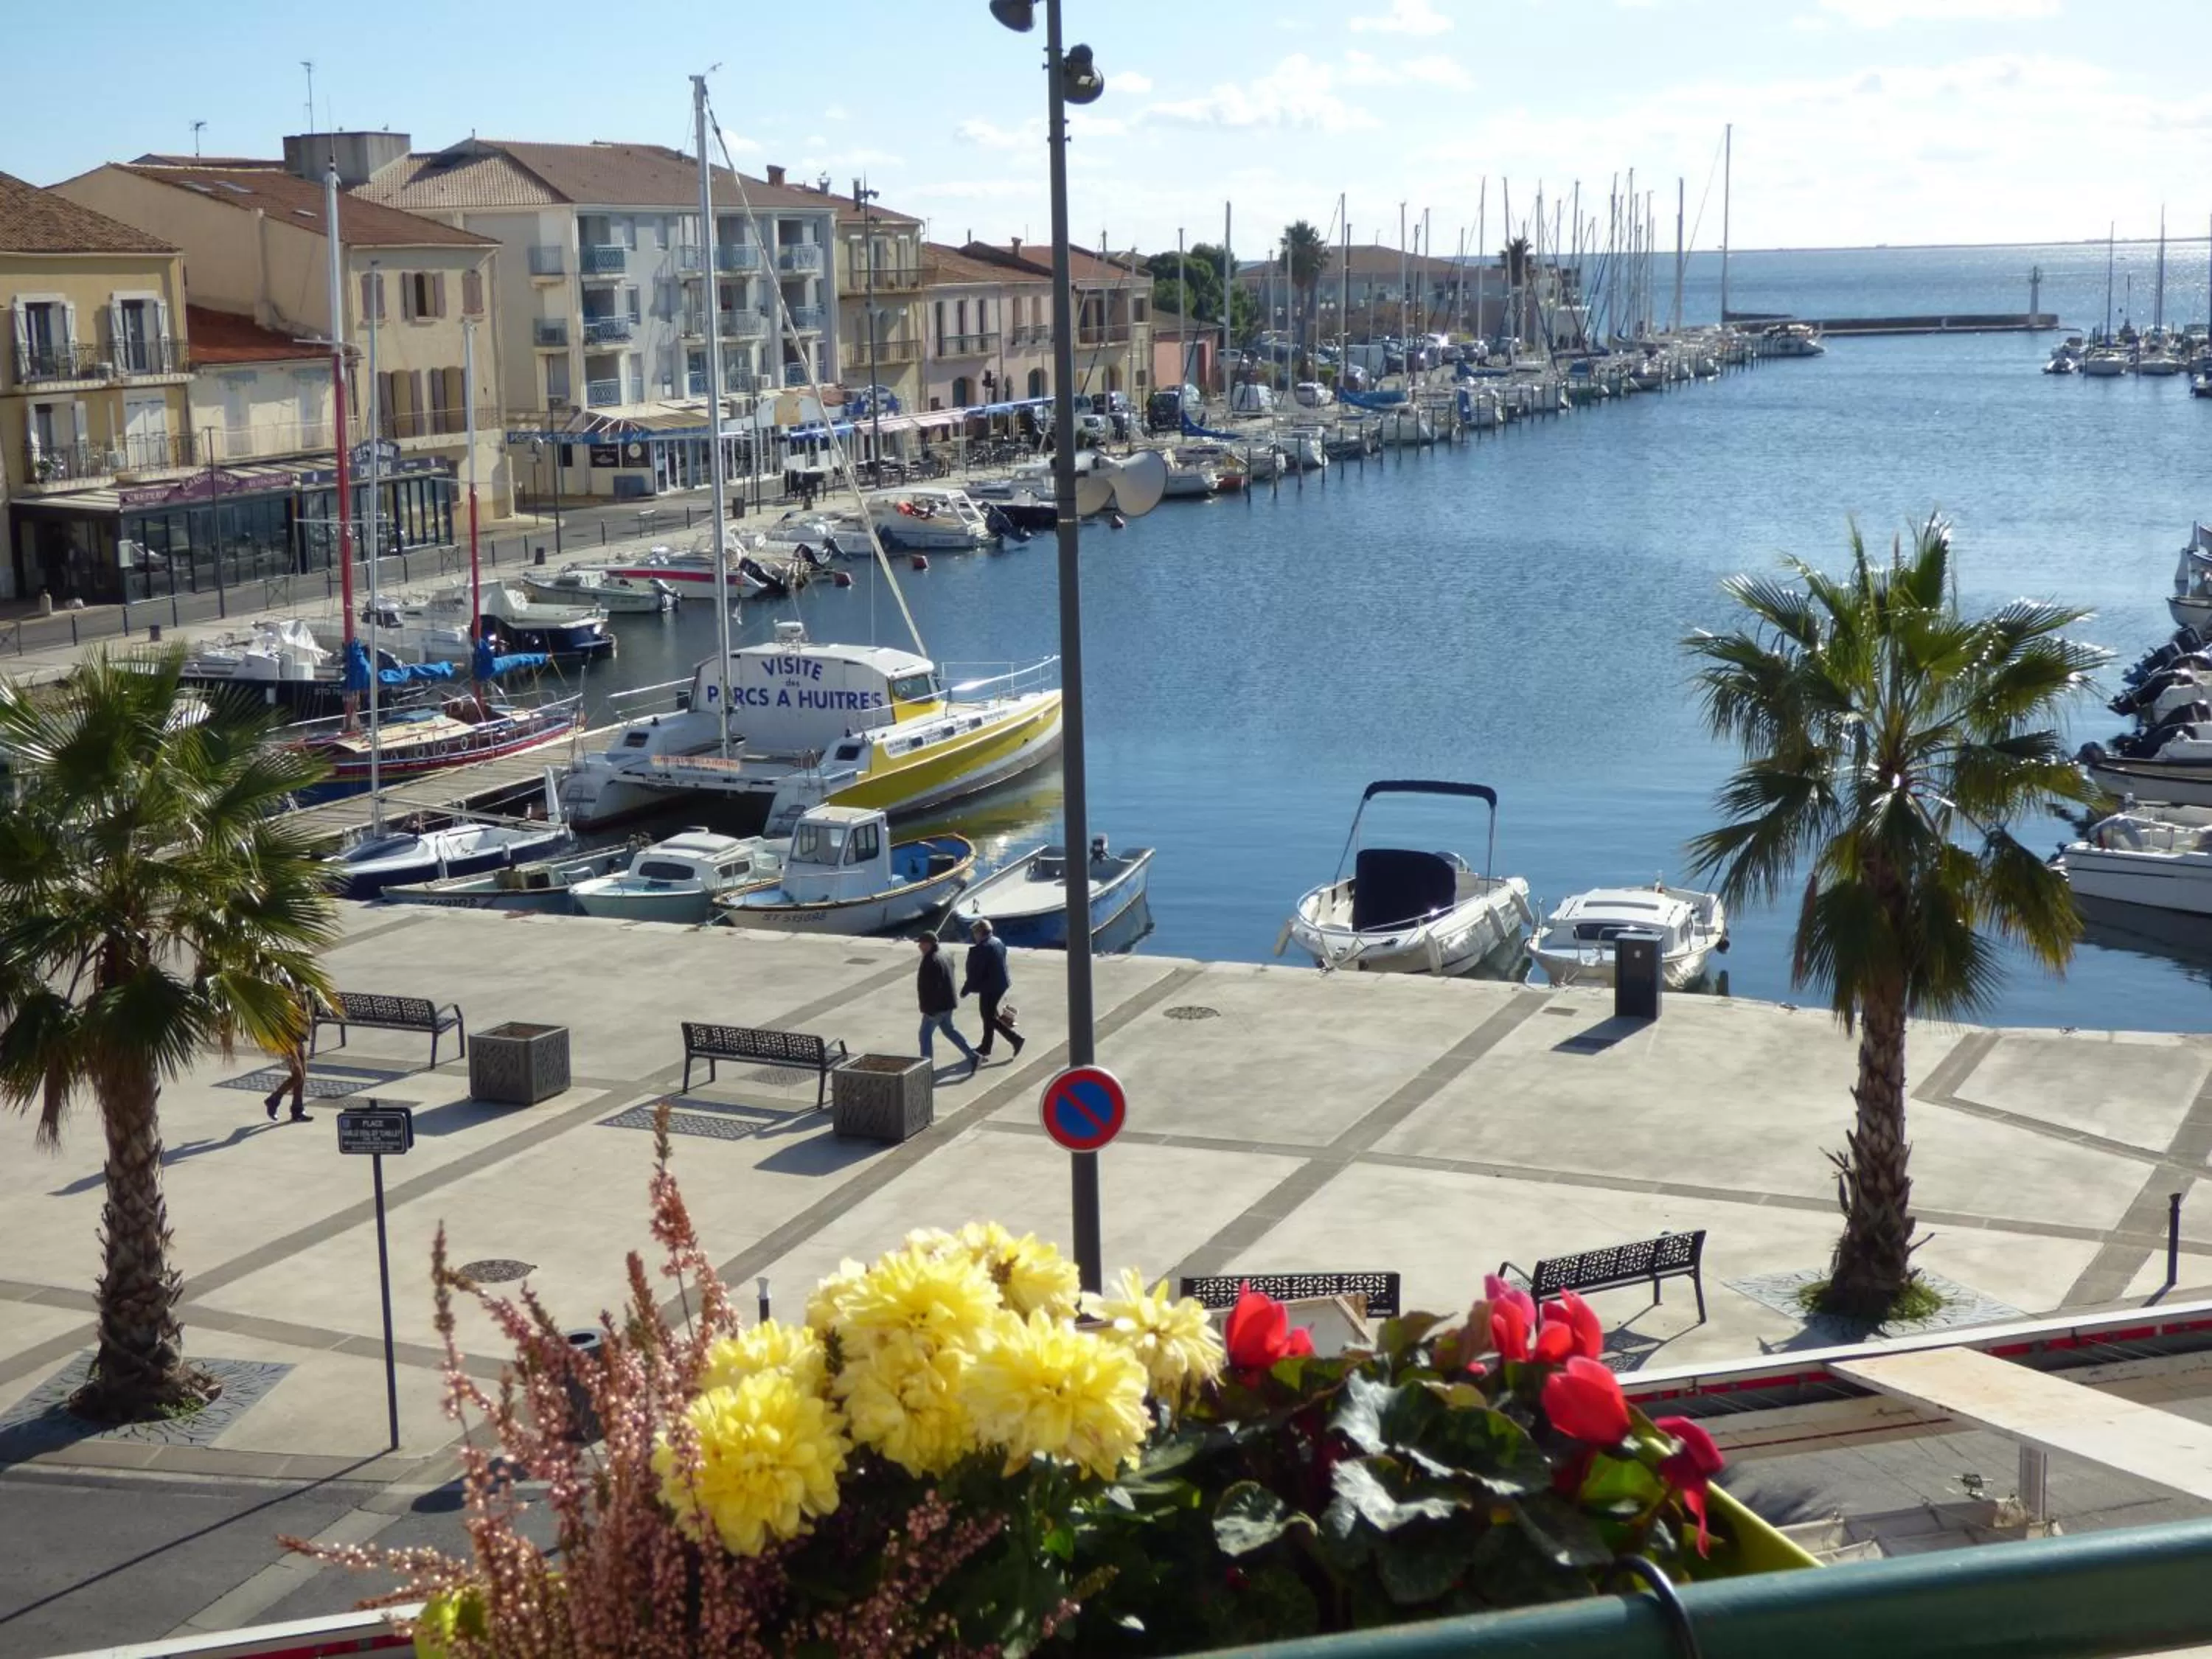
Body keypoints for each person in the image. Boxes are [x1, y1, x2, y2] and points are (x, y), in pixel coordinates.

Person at [961, 918, 1025, 1060]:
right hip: (1000, 983)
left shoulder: (982, 949)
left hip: (990, 986)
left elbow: (975, 973)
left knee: (989, 1017)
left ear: (980, 933)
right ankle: (986, 1046)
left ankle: (1015, 1039)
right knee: (989, 1014)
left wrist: (966, 989)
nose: (974, 936)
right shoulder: (997, 941)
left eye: (975, 933)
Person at [914, 933, 978, 1073]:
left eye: (922, 943)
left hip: (935, 1007)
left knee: (925, 1035)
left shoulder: (930, 961)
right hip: (948, 1003)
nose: (919, 946)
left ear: (929, 944)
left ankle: (926, 1069)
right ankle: (973, 1055)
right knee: (949, 1030)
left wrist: (928, 1009)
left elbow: (930, 988)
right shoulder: (945, 954)